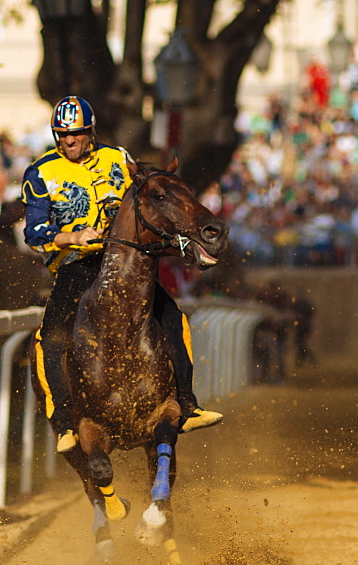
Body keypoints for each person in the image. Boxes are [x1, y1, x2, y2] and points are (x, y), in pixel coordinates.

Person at [22, 95, 224, 453]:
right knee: (50, 337)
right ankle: (66, 421)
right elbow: (34, 234)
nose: (69, 141)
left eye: (77, 134)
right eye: (62, 135)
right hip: (76, 267)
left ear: (91, 131)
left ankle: (187, 405)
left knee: (173, 319)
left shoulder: (118, 159)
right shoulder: (40, 173)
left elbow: (154, 192)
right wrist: (73, 236)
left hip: (129, 263)